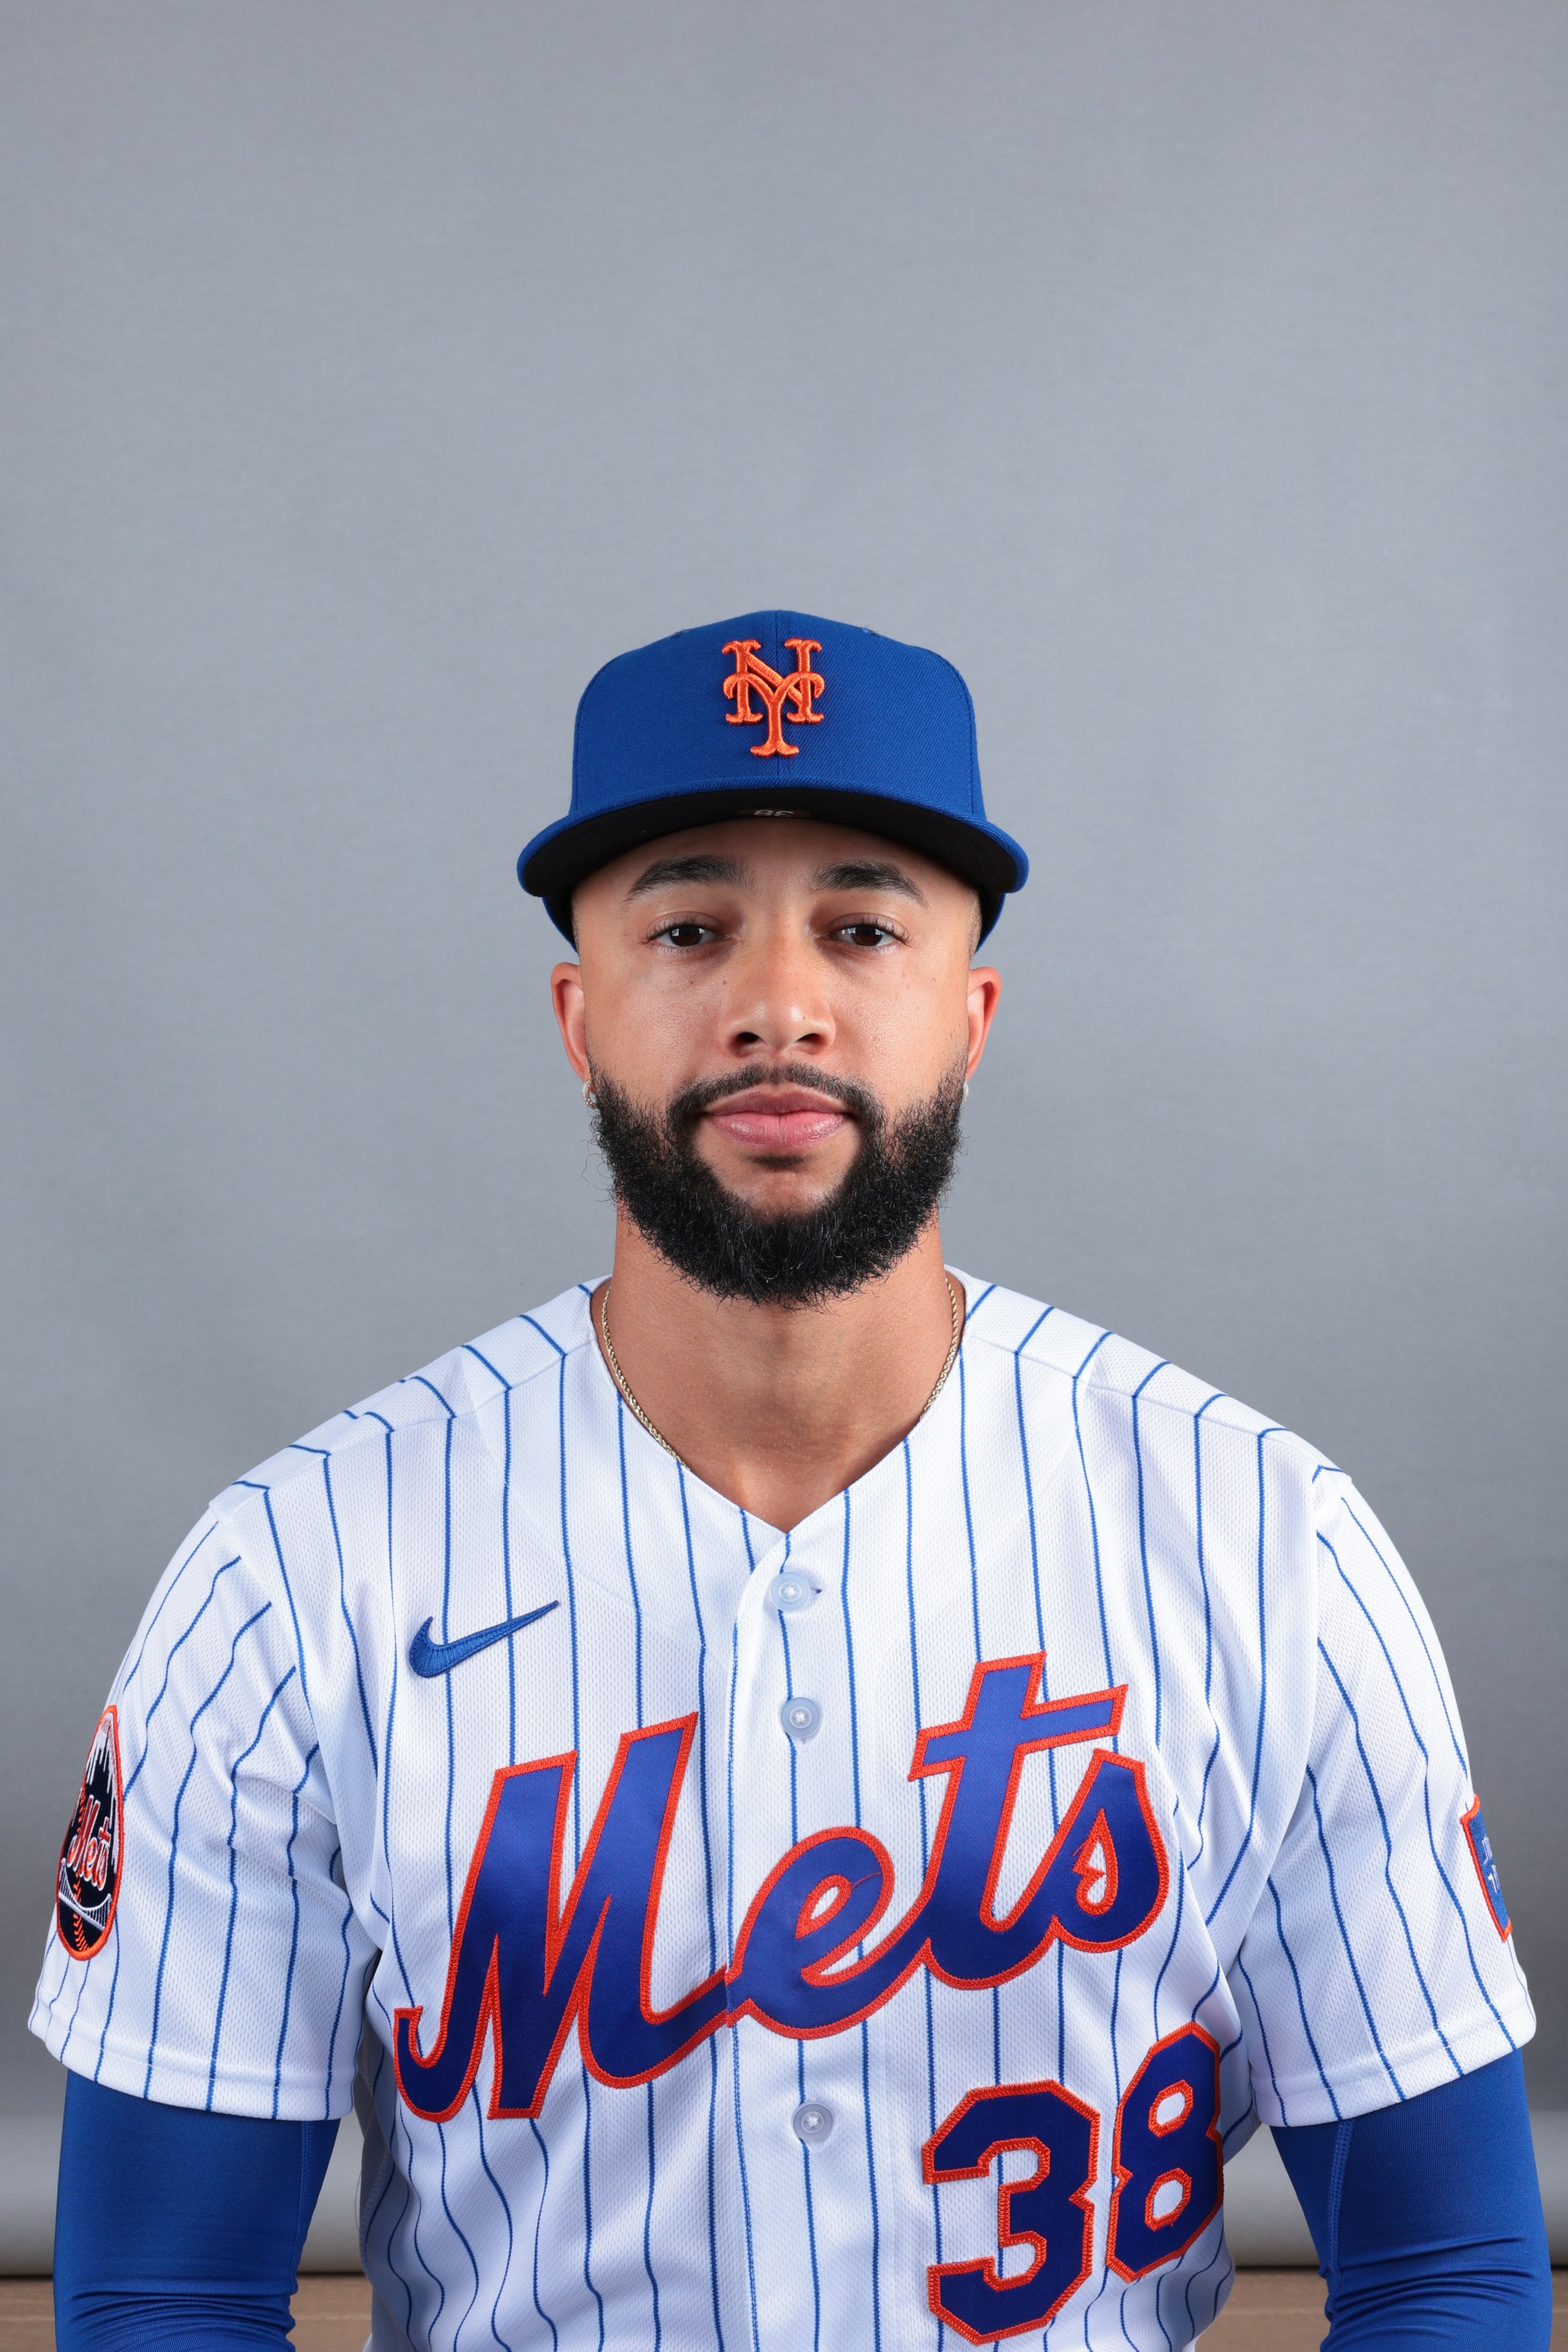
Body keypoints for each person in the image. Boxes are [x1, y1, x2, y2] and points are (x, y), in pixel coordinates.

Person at [37, 613, 1550, 2348]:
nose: (778, 1001)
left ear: (969, 1014)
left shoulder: (1271, 1547)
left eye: (861, 925)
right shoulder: (295, 1578)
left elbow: (1451, 2278)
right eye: (688, 927)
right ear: (578, 1016)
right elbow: (163, 2297)